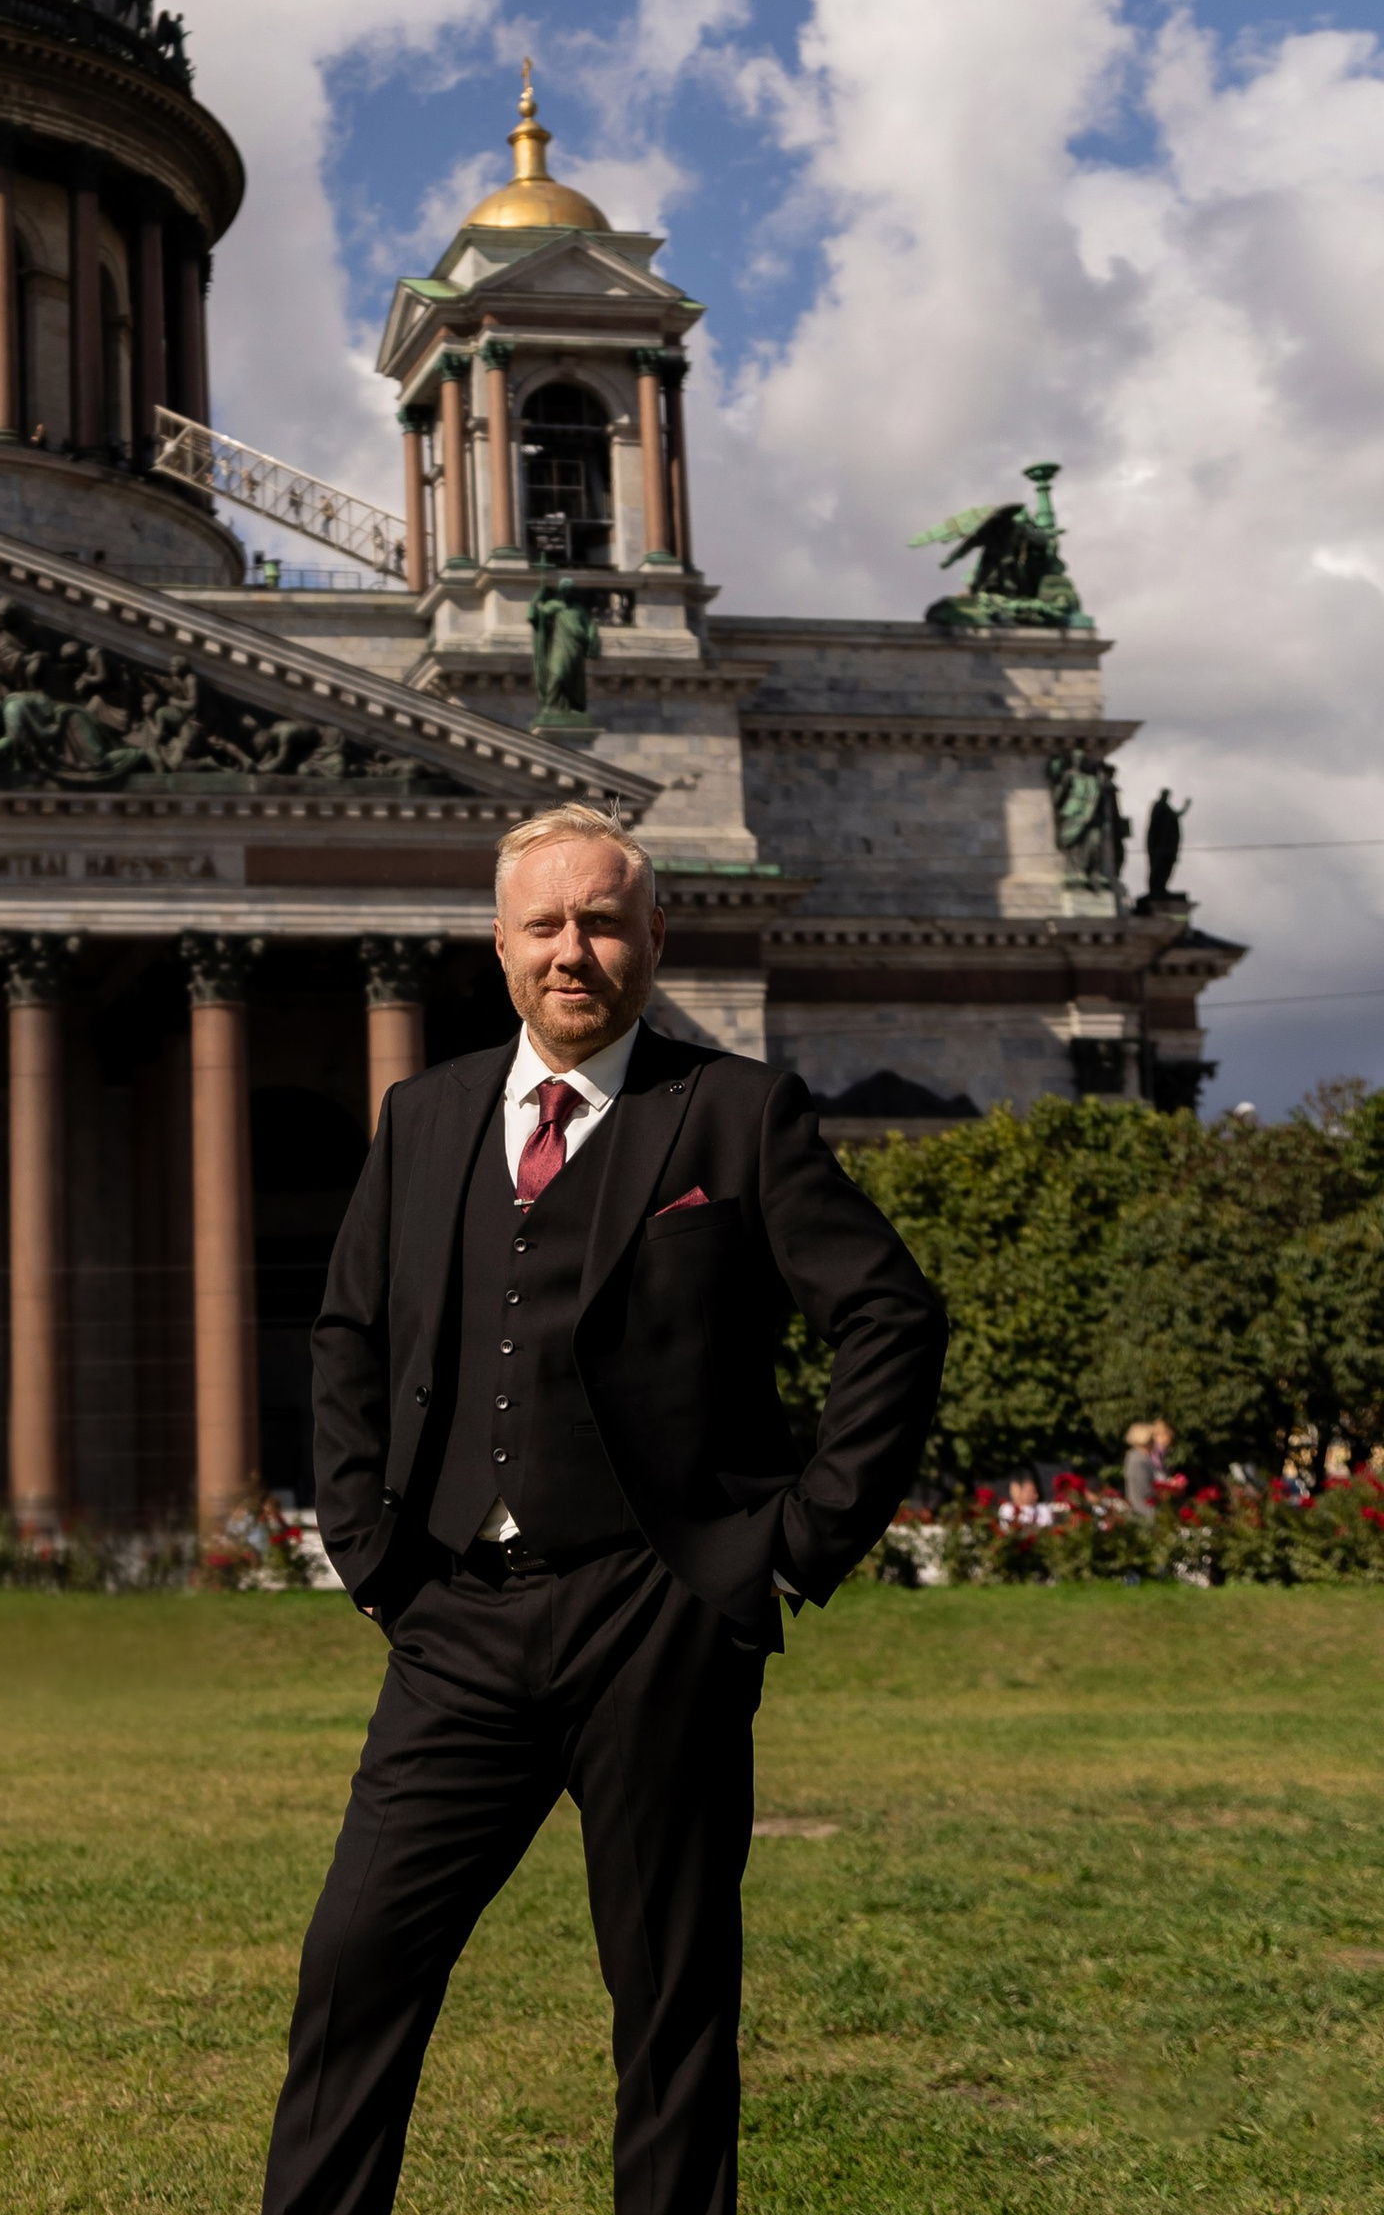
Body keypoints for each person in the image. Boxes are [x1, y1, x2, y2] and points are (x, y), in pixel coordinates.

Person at [264, 802, 945, 2215]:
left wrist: (795, 1545)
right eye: (545, 925)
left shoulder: (736, 1113)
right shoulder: (428, 1115)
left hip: (662, 1618)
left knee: (670, 2004)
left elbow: (888, 1316)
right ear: (498, 944)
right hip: (456, 1619)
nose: (574, 952)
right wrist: (370, 1549)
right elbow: (346, 1334)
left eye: (604, 922)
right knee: (354, 1970)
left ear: (651, 939)